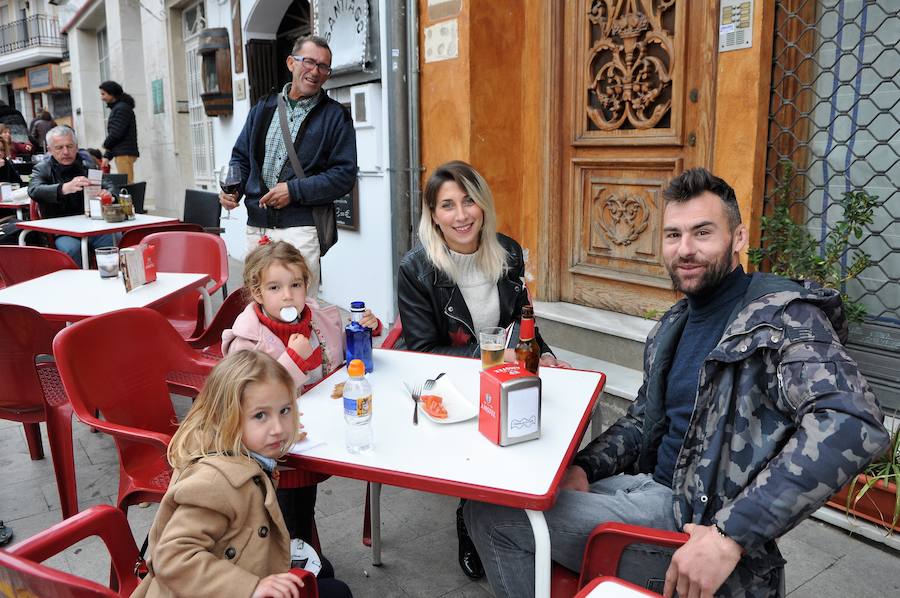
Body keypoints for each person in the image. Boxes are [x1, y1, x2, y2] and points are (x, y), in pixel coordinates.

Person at [463, 168, 890, 598]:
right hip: (648, 489)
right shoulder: (674, 324)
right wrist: (585, 468)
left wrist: (729, 536)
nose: (685, 249)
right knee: (506, 492)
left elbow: (853, 419)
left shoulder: (781, 317)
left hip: (693, 525)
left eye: (702, 232)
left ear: (738, 238)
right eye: (673, 235)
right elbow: (641, 421)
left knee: (492, 515)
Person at [397, 160, 568, 580]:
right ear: (433, 215)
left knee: (556, 417)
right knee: (488, 437)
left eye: (469, 201)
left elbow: (523, 321)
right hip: (448, 384)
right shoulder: (417, 269)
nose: (461, 215)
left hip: (501, 372)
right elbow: (423, 352)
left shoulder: (508, 251)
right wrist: (492, 359)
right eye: (447, 205)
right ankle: (471, 517)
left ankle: (526, 517)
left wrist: (542, 354)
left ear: (483, 204)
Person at [132, 350, 352, 598]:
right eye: (261, 416)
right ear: (227, 417)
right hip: (211, 589)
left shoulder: (241, 451)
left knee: (323, 570)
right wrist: (251, 587)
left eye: (285, 411)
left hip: (236, 569)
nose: (278, 428)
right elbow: (172, 556)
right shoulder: (215, 483)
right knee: (337, 592)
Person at [222, 238, 381, 553]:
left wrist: (363, 331)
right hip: (276, 451)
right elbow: (251, 401)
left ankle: (305, 549)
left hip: (318, 429)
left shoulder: (319, 318)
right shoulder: (245, 341)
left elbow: (342, 360)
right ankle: (294, 557)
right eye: (275, 288)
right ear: (257, 293)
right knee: (290, 510)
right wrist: (292, 362)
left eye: (295, 285)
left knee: (307, 502)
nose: (287, 295)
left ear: (306, 286)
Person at [221, 34, 357, 298]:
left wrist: (294, 191)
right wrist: (232, 190)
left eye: (323, 67)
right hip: (256, 226)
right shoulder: (262, 107)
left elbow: (344, 175)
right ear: (291, 63)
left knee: (299, 305)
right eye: (309, 62)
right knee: (258, 302)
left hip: (301, 229)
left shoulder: (336, 117)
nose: (315, 71)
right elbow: (240, 157)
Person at [28, 126, 116, 266]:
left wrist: (109, 194)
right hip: (61, 229)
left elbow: (109, 184)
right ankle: (79, 285)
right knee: (72, 249)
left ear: (76, 147)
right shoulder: (43, 168)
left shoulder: (87, 165)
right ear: (50, 150)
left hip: (91, 225)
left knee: (115, 239)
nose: (66, 152)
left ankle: (111, 280)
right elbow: (34, 190)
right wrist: (63, 188)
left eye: (70, 146)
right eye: (59, 147)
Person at [99, 80, 139, 183]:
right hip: (122, 152)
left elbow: (116, 134)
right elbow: (117, 136)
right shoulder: (120, 108)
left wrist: (105, 146)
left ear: (112, 93)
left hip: (124, 154)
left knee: (127, 184)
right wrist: (107, 155)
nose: (102, 97)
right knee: (126, 183)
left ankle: (133, 199)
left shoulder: (121, 108)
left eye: (103, 94)